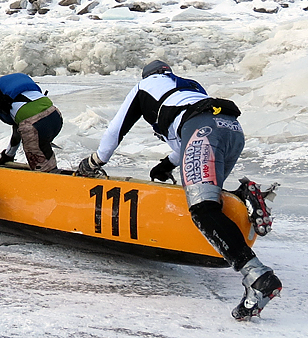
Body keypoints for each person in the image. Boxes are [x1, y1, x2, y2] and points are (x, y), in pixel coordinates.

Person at [75, 60, 281, 320]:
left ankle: (257, 276)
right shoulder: (190, 86)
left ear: (147, 75)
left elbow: (116, 129)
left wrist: (95, 161)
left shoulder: (144, 86)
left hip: (203, 130)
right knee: (210, 197)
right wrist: (166, 164)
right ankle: (245, 197)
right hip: (232, 130)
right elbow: (187, 131)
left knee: (203, 208)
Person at [0, 73, 63, 172]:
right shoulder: (13, 90)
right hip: (55, 116)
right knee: (46, 156)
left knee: (44, 171)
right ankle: (58, 175)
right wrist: (9, 155)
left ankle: (53, 182)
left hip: (34, 125)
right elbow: (17, 133)